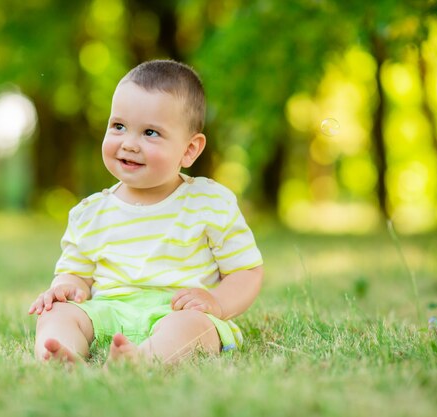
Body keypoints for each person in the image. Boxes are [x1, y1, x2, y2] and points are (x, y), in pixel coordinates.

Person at [28, 59, 264, 365]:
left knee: (192, 329)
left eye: (150, 133)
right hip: (109, 311)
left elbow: (246, 271)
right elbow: (75, 273)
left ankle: (144, 359)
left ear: (189, 150)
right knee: (56, 313)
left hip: (177, 311)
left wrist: (216, 302)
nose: (129, 143)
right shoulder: (90, 212)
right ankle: (63, 354)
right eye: (119, 126)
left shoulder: (209, 202)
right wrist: (65, 289)